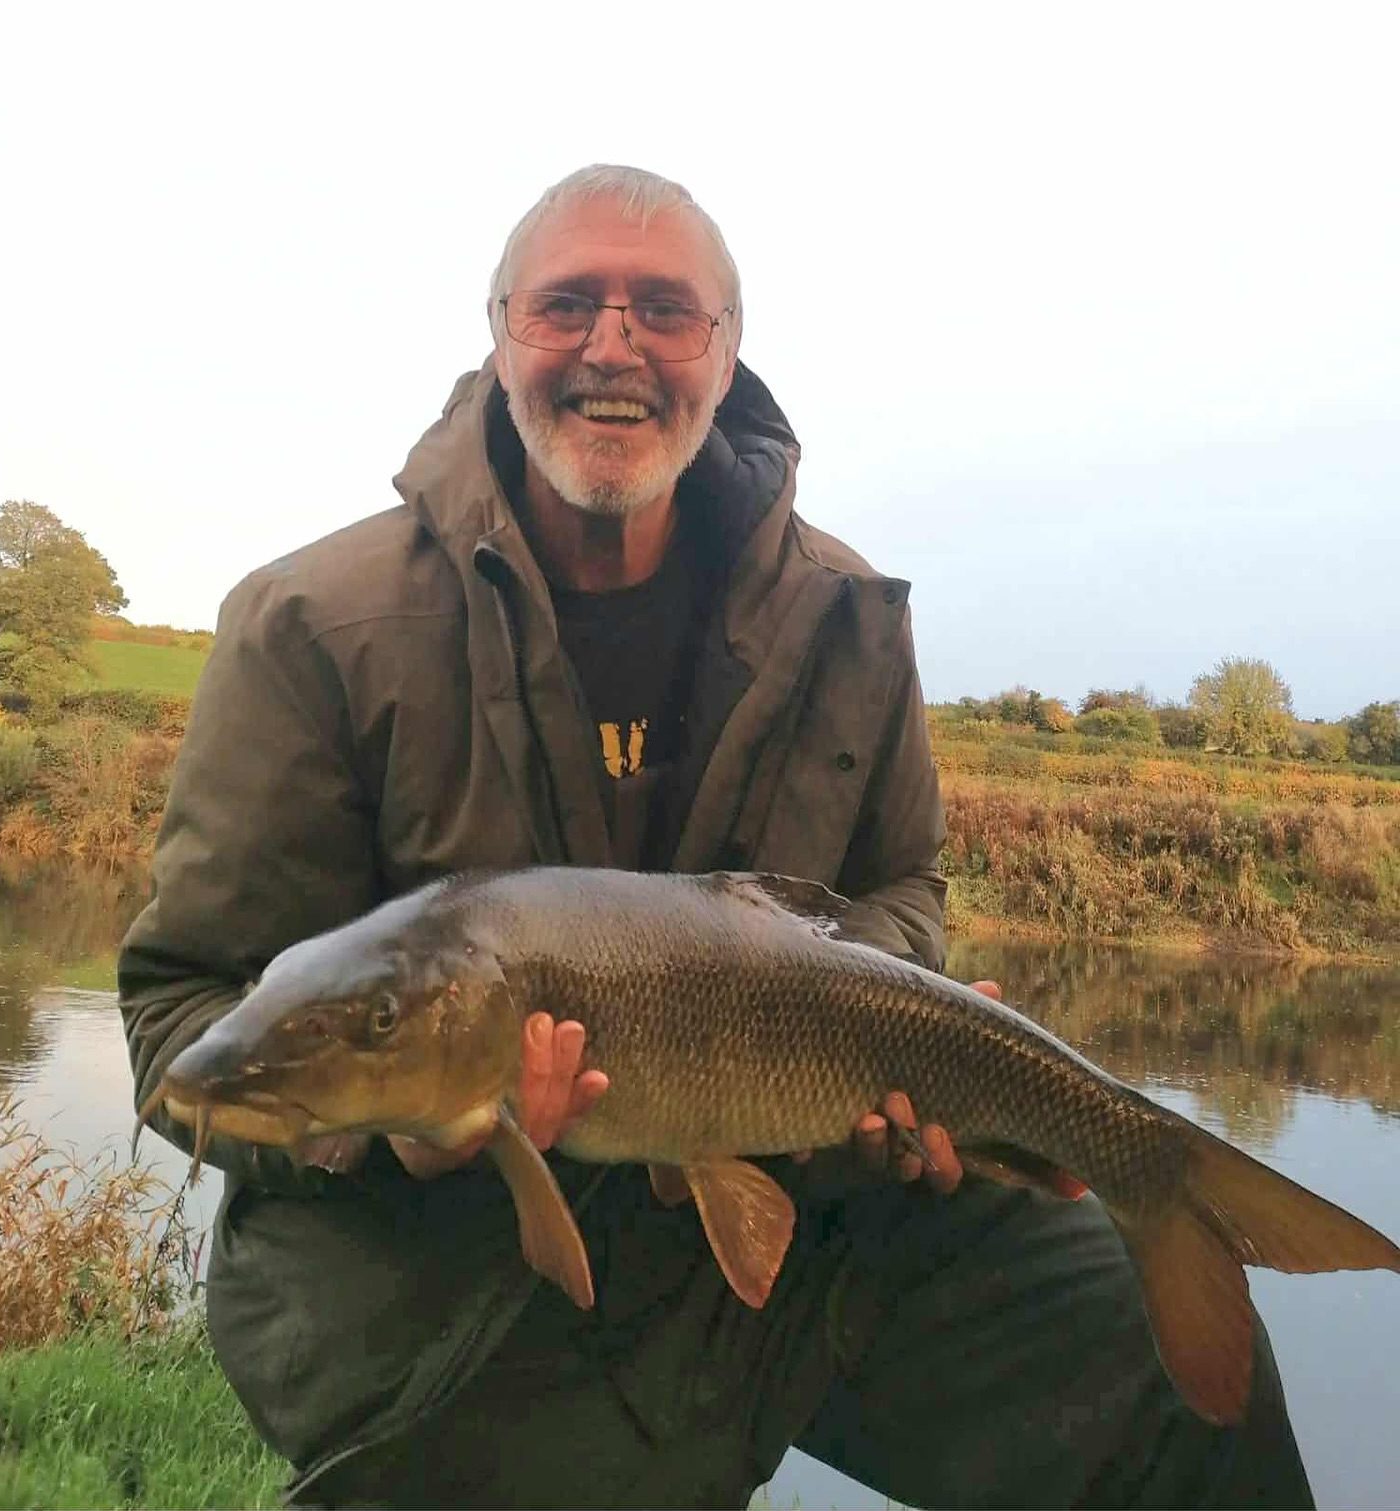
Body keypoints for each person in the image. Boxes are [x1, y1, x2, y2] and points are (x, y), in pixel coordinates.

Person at [120, 165, 1314, 1508]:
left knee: (1153, 1377)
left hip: (809, 1194)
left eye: (665, 311)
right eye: (565, 305)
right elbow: (180, 1024)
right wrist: (390, 1136)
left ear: (726, 352)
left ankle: (1162, 1199)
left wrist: (884, 1034)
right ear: (500, 335)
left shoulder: (848, 614)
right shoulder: (309, 623)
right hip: (438, 1254)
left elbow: (902, 889)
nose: (612, 345)